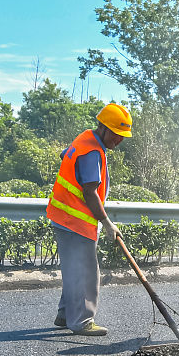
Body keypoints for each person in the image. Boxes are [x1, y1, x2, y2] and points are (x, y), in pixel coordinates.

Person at [46, 103, 132, 337]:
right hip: (74, 221)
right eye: (117, 134)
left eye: (123, 136)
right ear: (104, 128)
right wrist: (107, 223)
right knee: (85, 271)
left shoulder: (84, 139)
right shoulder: (92, 151)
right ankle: (82, 320)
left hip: (63, 217)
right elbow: (90, 191)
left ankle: (65, 314)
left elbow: (65, 155)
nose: (120, 140)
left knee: (74, 268)